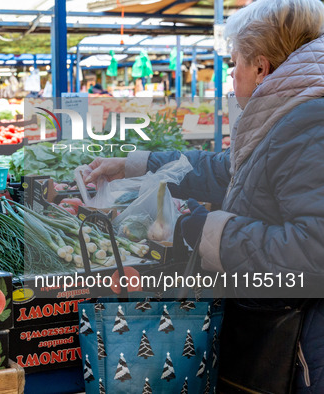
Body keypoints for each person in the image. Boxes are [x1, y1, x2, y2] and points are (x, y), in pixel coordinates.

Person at [85, 0, 324, 391]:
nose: (233, 77)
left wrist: (202, 231)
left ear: (261, 68)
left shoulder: (310, 122)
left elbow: (315, 252)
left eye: (235, 65)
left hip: (300, 354)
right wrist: (137, 165)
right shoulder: (291, 114)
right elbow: (227, 170)